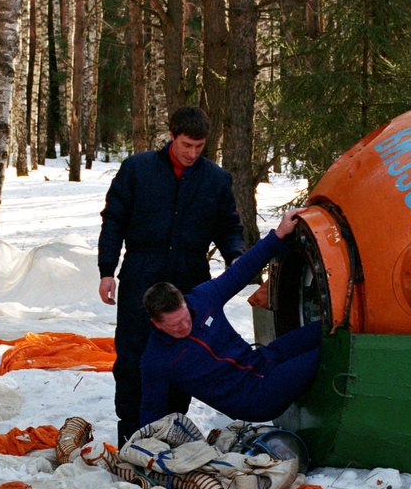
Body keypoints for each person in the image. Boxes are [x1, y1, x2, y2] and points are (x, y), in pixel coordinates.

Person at [97, 106, 245, 446]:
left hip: (189, 277)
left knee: (184, 355)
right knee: (134, 356)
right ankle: (132, 437)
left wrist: (235, 255)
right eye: (186, 146)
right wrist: (107, 270)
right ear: (172, 136)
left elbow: (229, 226)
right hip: (140, 275)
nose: (192, 154)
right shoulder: (137, 170)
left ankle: (173, 432)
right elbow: (114, 220)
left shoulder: (216, 180)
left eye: (199, 147)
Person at [139, 208, 321, 428]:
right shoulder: (156, 359)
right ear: (156, 323)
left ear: (185, 303)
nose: (185, 326)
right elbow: (152, 409)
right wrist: (146, 448)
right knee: (326, 355)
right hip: (254, 398)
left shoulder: (204, 298)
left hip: (263, 360)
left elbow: (241, 271)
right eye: (176, 325)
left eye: (186, 318)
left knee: (326, 330)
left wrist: (279, 233)